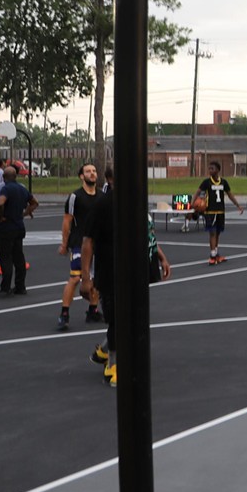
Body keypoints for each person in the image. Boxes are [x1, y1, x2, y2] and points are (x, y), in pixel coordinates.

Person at [80, 177, 172, 388]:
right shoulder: (104, 205)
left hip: (138, 271)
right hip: (112, 272)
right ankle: (113, 364)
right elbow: (88, 242)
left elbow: (146, 236)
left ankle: (103, 351)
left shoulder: (137, 202)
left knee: (130, 318)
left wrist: (161, 257)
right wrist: (86, 279)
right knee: (118, 320)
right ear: (114, 179)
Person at [55, 162, 103, 330]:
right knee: (75, 278)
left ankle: (93, 310)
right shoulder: (75, 197)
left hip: (98, 243)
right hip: (79, 243)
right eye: (88, 171)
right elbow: (67, 221)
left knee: (97, 279)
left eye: (94, 171)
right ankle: (64, 313)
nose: (92, 173)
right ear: (81, 176)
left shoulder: (102, 196)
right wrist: (64, 243)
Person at [0, 166, 38, 296]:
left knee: (6, 257)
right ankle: (20, 286)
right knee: (19, 257)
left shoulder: (5, 188)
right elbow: (34, 202)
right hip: (19, 226)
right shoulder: (22, 189)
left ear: (4, 178)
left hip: (6, 227)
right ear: (16, 176)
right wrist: (26, 212)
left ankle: (5, 288)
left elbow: (0, 203)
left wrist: (0, 216)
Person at [196, 160, 243, 264]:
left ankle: (216, 254)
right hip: (210, 212)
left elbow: (230, 194)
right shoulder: (206, 182)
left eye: (212, 168)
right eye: (209, 168)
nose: (210, 170)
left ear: (217, 170)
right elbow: (197, 192)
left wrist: (238, 205)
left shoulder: (223, 182)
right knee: (212, 233)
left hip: (220, 211)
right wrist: (192, 203)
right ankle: (212, 256)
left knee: (217, 233)